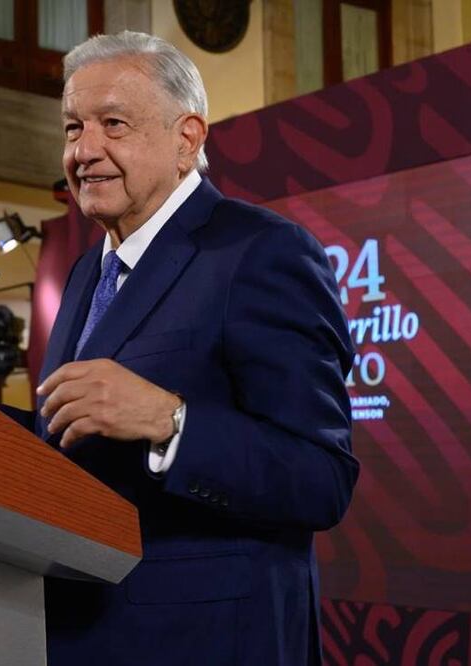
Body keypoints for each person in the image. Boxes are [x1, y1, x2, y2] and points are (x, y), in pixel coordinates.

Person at [26, 31, 359, 665]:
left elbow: (321, 478)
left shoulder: (262, 251)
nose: (84, 151)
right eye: (73, 128)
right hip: (76, 633)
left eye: (113, 124)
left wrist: (170, 421)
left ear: (187, 139)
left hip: (207, 642)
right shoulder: (86, 272)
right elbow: (73, 440)